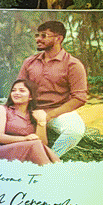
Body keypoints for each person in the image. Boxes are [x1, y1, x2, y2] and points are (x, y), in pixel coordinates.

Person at [16, 19, 88, 158]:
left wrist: (47, 116)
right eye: (37, 35)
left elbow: (79, 98)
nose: (38, 39)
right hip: (31, 111)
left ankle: (49, 159)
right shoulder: (29, 62)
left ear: (58, 39)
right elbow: (19, 89)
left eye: (44, 36)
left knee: (75, 131)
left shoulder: (73, 64)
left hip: (59, 113)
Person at [0, 80, 58, 164]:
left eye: (21, 90)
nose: (16, 93)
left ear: (31, 96)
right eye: (13, 90)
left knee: (36, 144)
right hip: (1, 150)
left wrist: (41, 121)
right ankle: (52, 172)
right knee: (34, 144)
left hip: (27, 150)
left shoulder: (34, 115)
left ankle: (55, 170)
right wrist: (25, 139)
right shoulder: (2, 109)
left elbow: (42, 143)